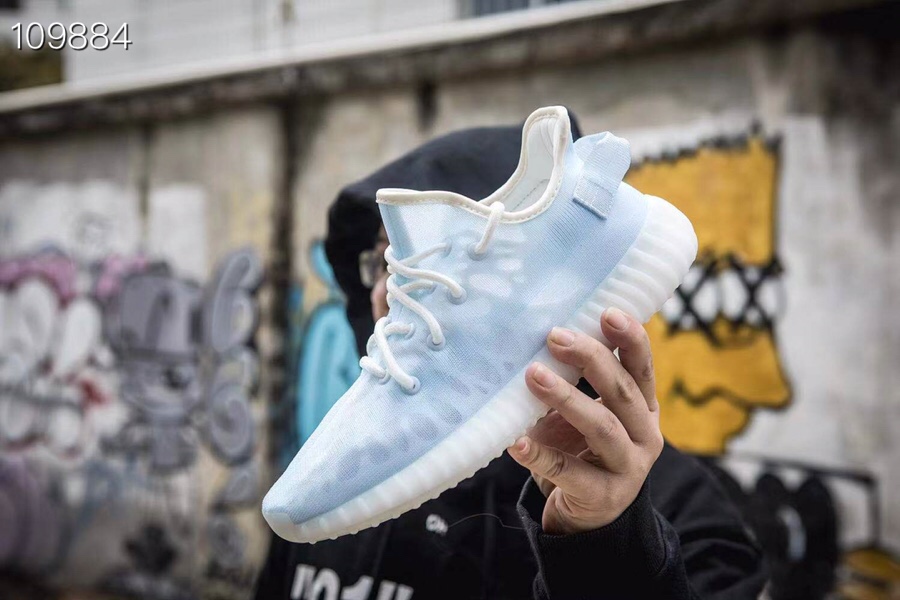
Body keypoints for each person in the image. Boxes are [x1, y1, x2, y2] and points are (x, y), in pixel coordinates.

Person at [254, 114, 767, 600]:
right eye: (382, 262)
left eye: (426, 267)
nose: (383, 293)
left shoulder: (685, 516)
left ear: (538, 270)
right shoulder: (346, 481)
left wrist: (604, 542)